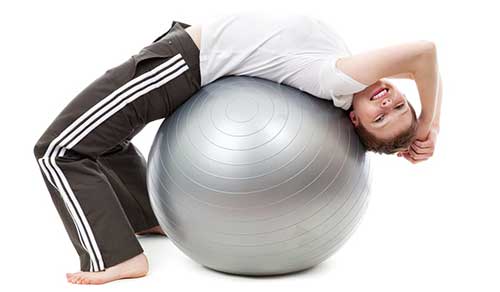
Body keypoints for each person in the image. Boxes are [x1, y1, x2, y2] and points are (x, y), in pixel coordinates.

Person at [33, 11, 442, 285]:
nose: (388, 103)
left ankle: (114, 257)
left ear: (355, 120)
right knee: (106, 136)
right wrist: (417, 127)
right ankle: (146, 216)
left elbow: (424, 53)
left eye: (381, 117)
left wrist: (428, 124)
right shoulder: (354, 77)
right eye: (400, 103)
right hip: (188, 54)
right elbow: (415, 66)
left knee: (58, 150)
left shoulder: (335, 80)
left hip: (183, 61)